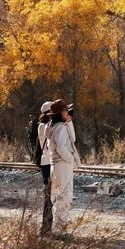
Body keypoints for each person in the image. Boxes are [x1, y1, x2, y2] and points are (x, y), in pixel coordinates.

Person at [45, 98, 81, 238]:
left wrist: (69, 121)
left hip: (56, 165)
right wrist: (70, 159)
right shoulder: (60, 128)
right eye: (66, 110)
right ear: (62, 112)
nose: (68, 112)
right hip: (62, 164)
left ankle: (58, 228)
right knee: (64, 196)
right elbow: (61, 147)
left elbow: (72, 138)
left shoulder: (53, 126)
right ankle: (60, 230)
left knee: (59, 196)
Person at [36, 101, 53, 235]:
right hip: (47, 163)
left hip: (48, 163)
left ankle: (48, 226)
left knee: (51, 194)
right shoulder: (43, 126)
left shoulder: (46, 125)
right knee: (49, 195)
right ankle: (46, 227)